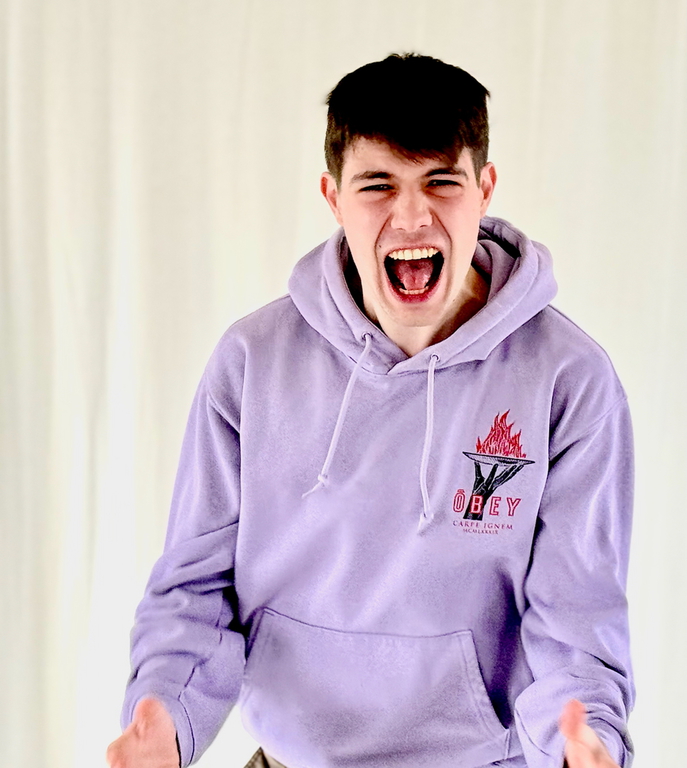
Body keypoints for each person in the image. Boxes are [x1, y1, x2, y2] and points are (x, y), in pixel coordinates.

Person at [107, 53, 634, 768]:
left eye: (441, 182)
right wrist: (166, 718)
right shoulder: (252, 361)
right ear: (333, 197)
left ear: (484, 190)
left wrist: (585, 743)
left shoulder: (567, 380)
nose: (411, 215)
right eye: (378, 185)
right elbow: (196, 590)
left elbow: (576, 619)